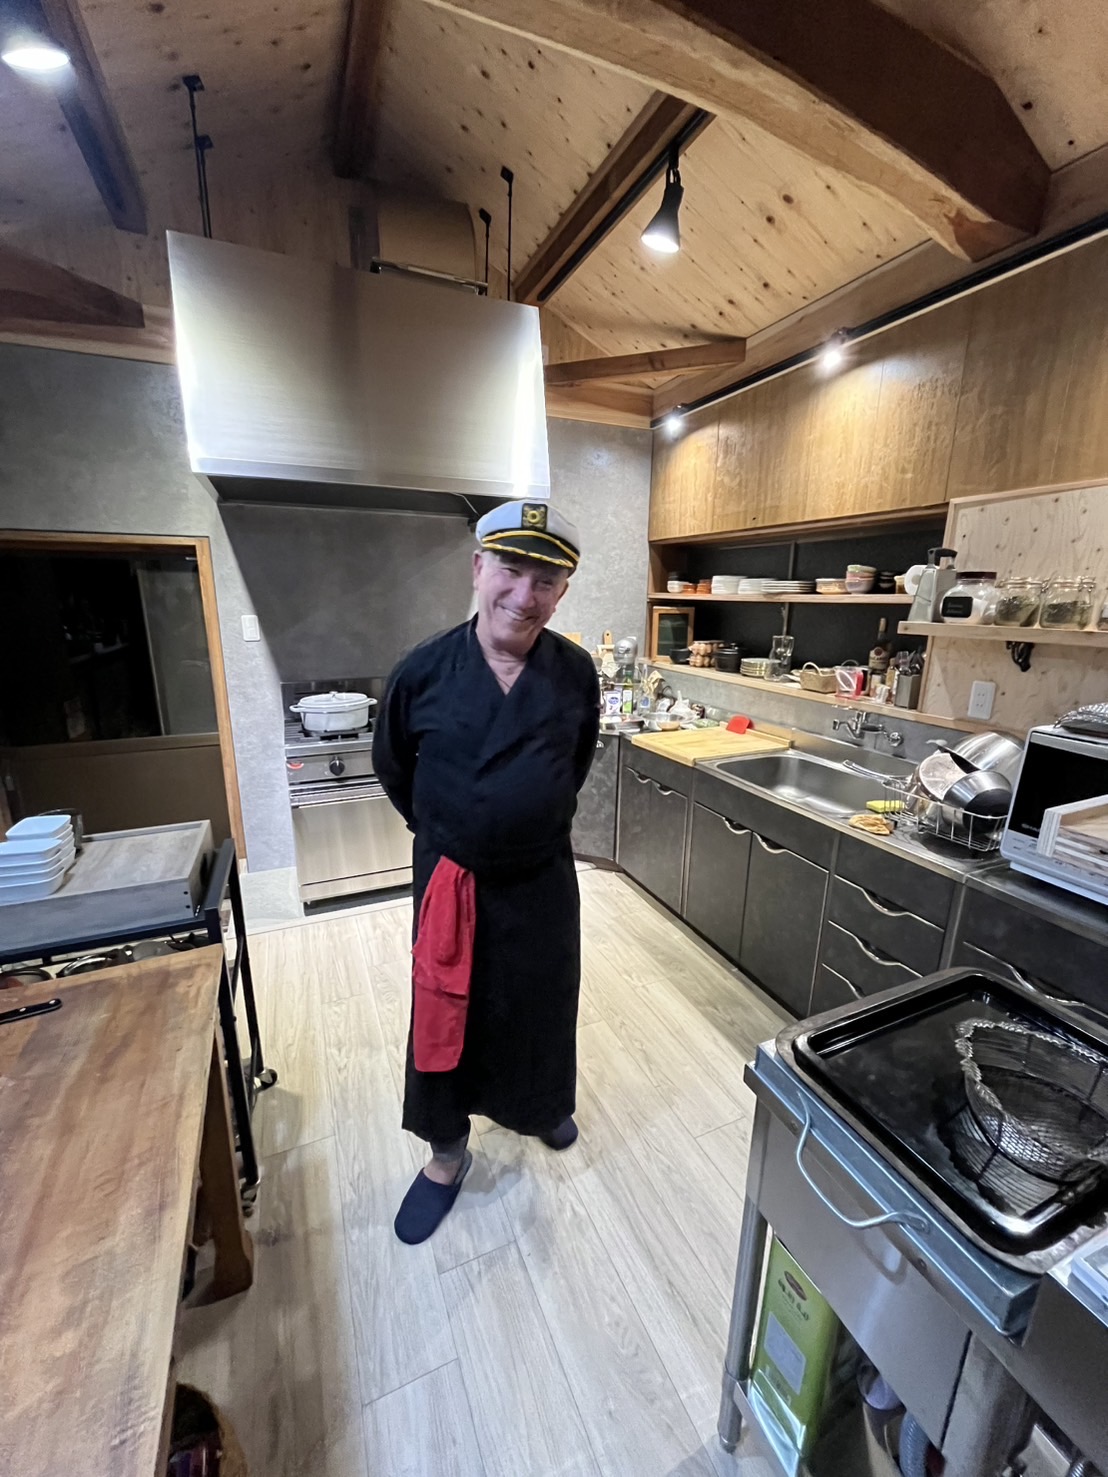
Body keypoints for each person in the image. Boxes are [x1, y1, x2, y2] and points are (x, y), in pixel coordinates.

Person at [373, 500, 600, 1244]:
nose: (524, 595)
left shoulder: (575, 673)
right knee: (447, 1011)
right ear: (478, 569)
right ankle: (446, 1154)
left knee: (540, 1002)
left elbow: (575, 764)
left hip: (542, 879)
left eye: (546, 580)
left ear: (561, 592)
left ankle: (538, 1105)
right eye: (510, 569)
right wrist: (457, 829)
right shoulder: (422, 671)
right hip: (455, 879)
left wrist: (525, 818)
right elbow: (394, 768)